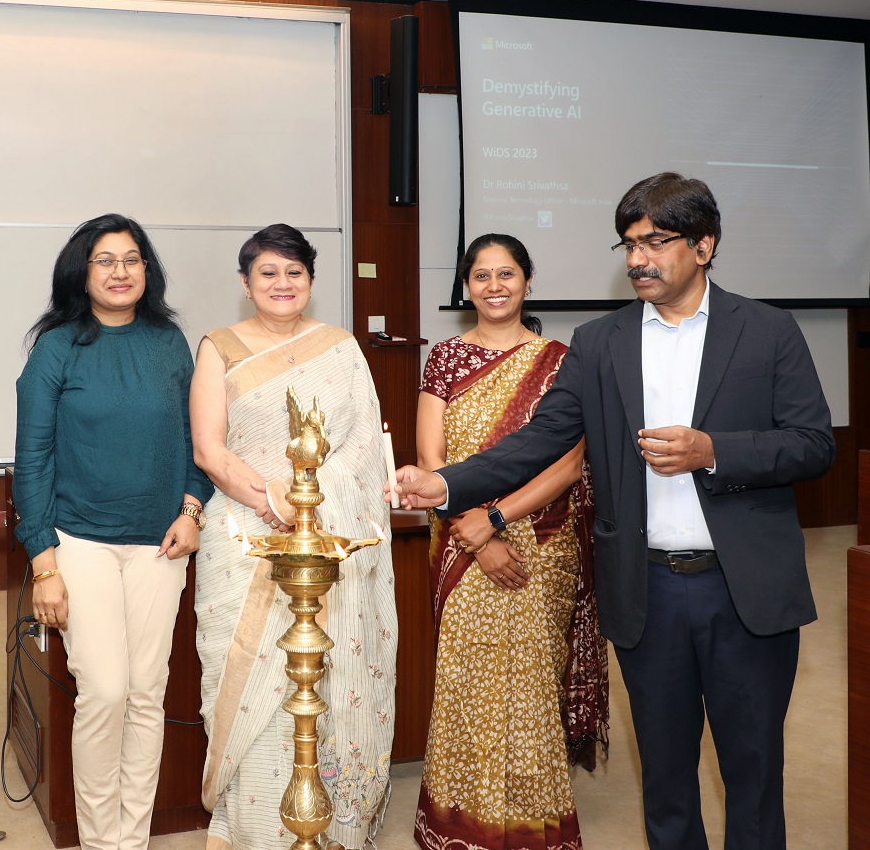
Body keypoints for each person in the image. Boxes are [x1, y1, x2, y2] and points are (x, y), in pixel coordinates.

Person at [391, 174, 834, 850]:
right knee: (665, 781)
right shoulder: (600, 341)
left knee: (753, 774)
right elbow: (541, 441)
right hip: (647, 591)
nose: (637, 258)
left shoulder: (768, 330)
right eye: (629, 243)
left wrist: (714, 449)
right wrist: (445, 483)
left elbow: (812, 443)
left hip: (745, 590)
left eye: (655, 241)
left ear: (703, 245)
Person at [190, 223, 396, 850]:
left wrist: (305, 508)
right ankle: (254, 831)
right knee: (249, 679)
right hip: (244, 535)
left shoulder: (341, 347)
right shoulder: (218, 347)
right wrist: (274, 502)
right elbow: (209, 449)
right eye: (268, 273)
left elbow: (362, 448)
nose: (282, 284)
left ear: (310, 280)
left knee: (331, 680)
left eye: (294, 273)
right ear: (246, 283)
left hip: (331, 541)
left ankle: (331, 831)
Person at [13, 213, 213, 850]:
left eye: (132, 259)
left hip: (161, 543)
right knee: (104, 691)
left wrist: (192, 509)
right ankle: (104, 842)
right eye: (105, 260)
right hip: (80, 542)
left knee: (146, 696)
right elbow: (34, 456)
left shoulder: (169, 342)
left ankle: (135, 836)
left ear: (146, 270)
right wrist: (44, 563)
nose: (120, 271)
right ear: (83, 270)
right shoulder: (56, 347)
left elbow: (194, 439)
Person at [412, 233, 608, 849]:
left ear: (527, 281)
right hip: (461, 536)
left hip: (541, 538)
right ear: (465, 286)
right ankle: (457, 822)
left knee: (528, 685)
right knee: (467, 679)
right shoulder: (445, 356)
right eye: (481, 277)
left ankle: (532, 825)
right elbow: (431, 458)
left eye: (506, 275)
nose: (494, 287)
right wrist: (474, 532)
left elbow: (571, 462)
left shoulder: (560, 359)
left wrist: (497, 520)